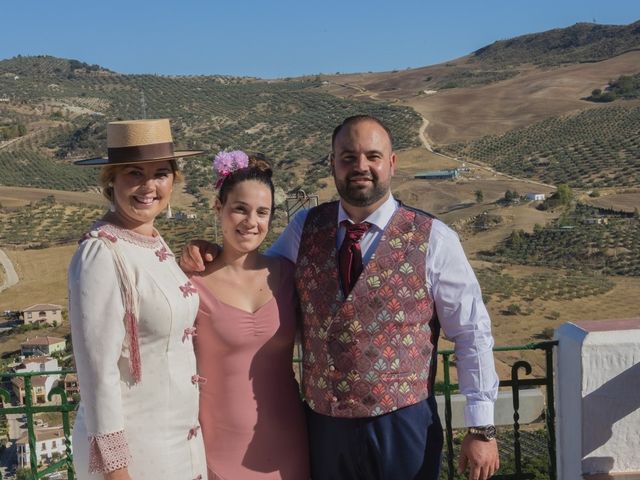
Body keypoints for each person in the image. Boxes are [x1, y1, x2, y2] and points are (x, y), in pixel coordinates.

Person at [183, 115, 500, 480]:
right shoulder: (305, 228)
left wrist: (482, 427)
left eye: (372, 156)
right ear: (333, 164)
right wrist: (207, 253)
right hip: (323, 428)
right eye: (348, 157)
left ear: (392, 163)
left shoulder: (435, 238)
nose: (360, 167)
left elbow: (471, 332)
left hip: (403, 423)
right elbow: (255, 269)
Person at [69, 119, 207, 480]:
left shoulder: (154, 242)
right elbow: (98, 375)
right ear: (111, 180)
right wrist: (117, 472)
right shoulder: (102, 254)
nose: (149, 186)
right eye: (134, 173)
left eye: (161, 174)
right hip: (137, 458)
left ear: (174, 180)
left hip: (179, 448)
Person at [189, 150, 309, 479]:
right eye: (240, 209)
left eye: (262, 212)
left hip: (288, 447)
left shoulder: (286, 275)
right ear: (219, 208)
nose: (251, 222)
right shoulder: (190, 283)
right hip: (217, 451)